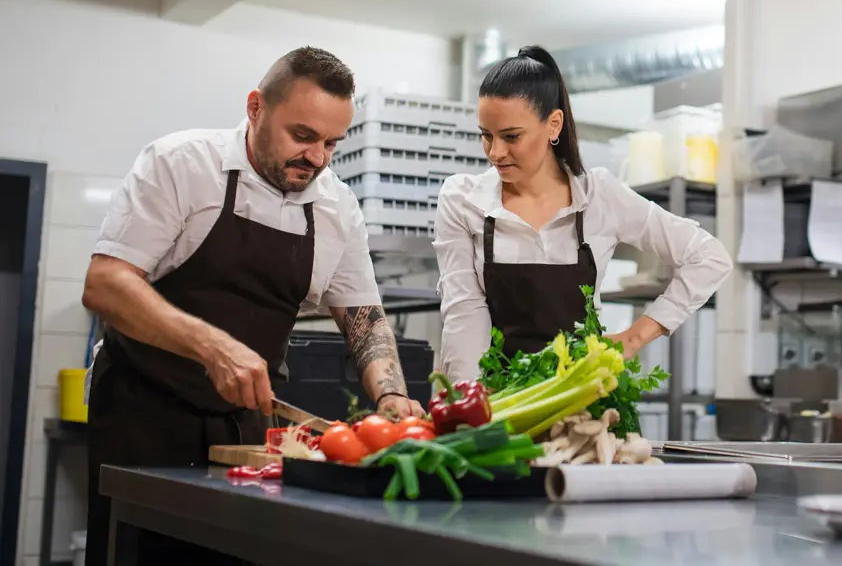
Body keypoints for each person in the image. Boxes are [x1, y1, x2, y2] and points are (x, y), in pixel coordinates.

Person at [81, 46, 425, 566]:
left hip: (246, 427)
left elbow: (363, 317)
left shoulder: (337, 208)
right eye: (303, 136)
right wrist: (212, 346)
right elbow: (105, 284)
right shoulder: (182, 163)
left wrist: (392, 393)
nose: (317, 157)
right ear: (255, 108)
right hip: (142, 413)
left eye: (332, 143)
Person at [433, 45, 733, 382]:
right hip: (500, 400)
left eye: (511, 136)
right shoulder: (462, 199)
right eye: (486, 136)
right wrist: (469, 404)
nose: (496, 152)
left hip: (582, 402)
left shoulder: (599, 196)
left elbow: (709, 257)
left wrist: (636, 338)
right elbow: (464, 313)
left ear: (553, 124)